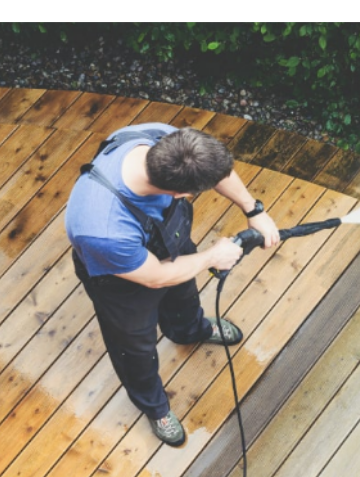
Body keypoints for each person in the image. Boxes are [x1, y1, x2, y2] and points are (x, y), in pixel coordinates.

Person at [64, 123, 280, 447]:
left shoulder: (164, 142)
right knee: (134, 348)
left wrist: (254, 209)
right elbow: (156, 277)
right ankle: (155, 407)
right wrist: (212, 257)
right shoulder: (101, 226)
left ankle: (190, 331)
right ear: (180, 194)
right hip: (122, 281)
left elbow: (216, 170)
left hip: (169, 245)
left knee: (184, 297)